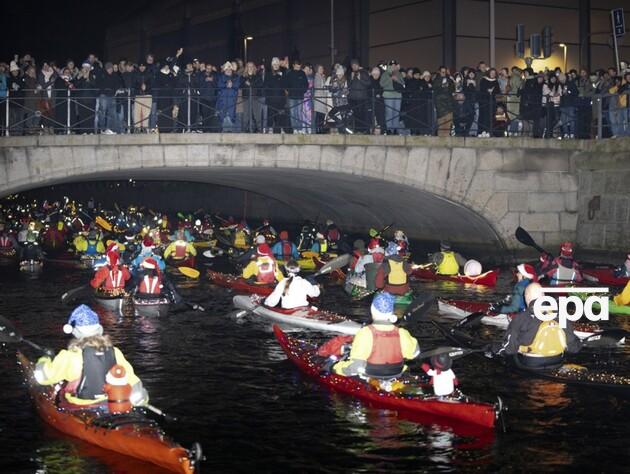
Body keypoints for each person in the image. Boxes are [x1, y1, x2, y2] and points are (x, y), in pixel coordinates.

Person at [34, 305, 148, 409]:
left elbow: (44, 377)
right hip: (108, 402)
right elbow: (133, 382)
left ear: (75, 332)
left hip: (79, 405)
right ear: (99, 329)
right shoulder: (115, 352)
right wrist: (140, 398)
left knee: (63, 391)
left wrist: (45, 359)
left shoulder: (69, 356)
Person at [490, 283, 581, 368]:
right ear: (544, 296)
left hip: (530, 363)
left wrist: (494, 349)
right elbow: (574, 348)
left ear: (526, 298)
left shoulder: (521, 318)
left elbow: (510, 349)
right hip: (557, 362)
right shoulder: (560, 316)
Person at [333, 292, 420, 378]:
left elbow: (356, 366)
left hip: (369, 374)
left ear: (372, 310)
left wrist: (336, 368)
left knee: (334, 365)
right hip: (397, 372)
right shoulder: (402, 333)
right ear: (391, 313)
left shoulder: (365, 333)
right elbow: (415, 353)